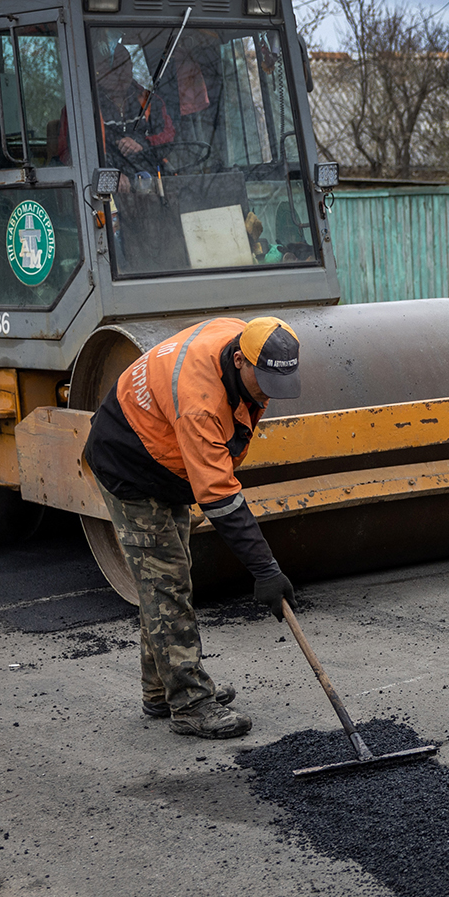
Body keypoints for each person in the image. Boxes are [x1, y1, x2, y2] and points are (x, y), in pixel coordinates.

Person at [85, 317, 303, 740]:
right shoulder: (201, 401)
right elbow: (220, 496)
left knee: (164, 577)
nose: (268, 395)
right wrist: (265, 570)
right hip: (128, 463)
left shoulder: (243, 337)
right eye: (263, 383)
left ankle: (159, 690)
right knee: (167, 583)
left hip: (165, 454)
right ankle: (188, 703)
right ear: (240, 360)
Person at [53, 43, 175, 192]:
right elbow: (69, 154)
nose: (120, 73)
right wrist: (109, 175)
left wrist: (141, 143)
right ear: (97, 70)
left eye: (124, 65)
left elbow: (169, 139)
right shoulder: (79, 108)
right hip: (101, 196)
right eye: (113, 68)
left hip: (152, 186)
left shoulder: (150, 101)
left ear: (131, 67)